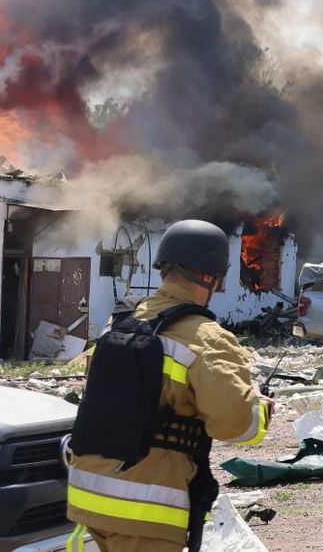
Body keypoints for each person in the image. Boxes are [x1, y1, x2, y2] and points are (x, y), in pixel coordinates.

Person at [65, 220, 274, 552]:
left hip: (87, 493)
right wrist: (261, 406)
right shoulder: (207, 338)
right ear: (211, 277)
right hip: (144, 506)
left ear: (164, 267)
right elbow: (238, 425)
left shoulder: (121, 323)